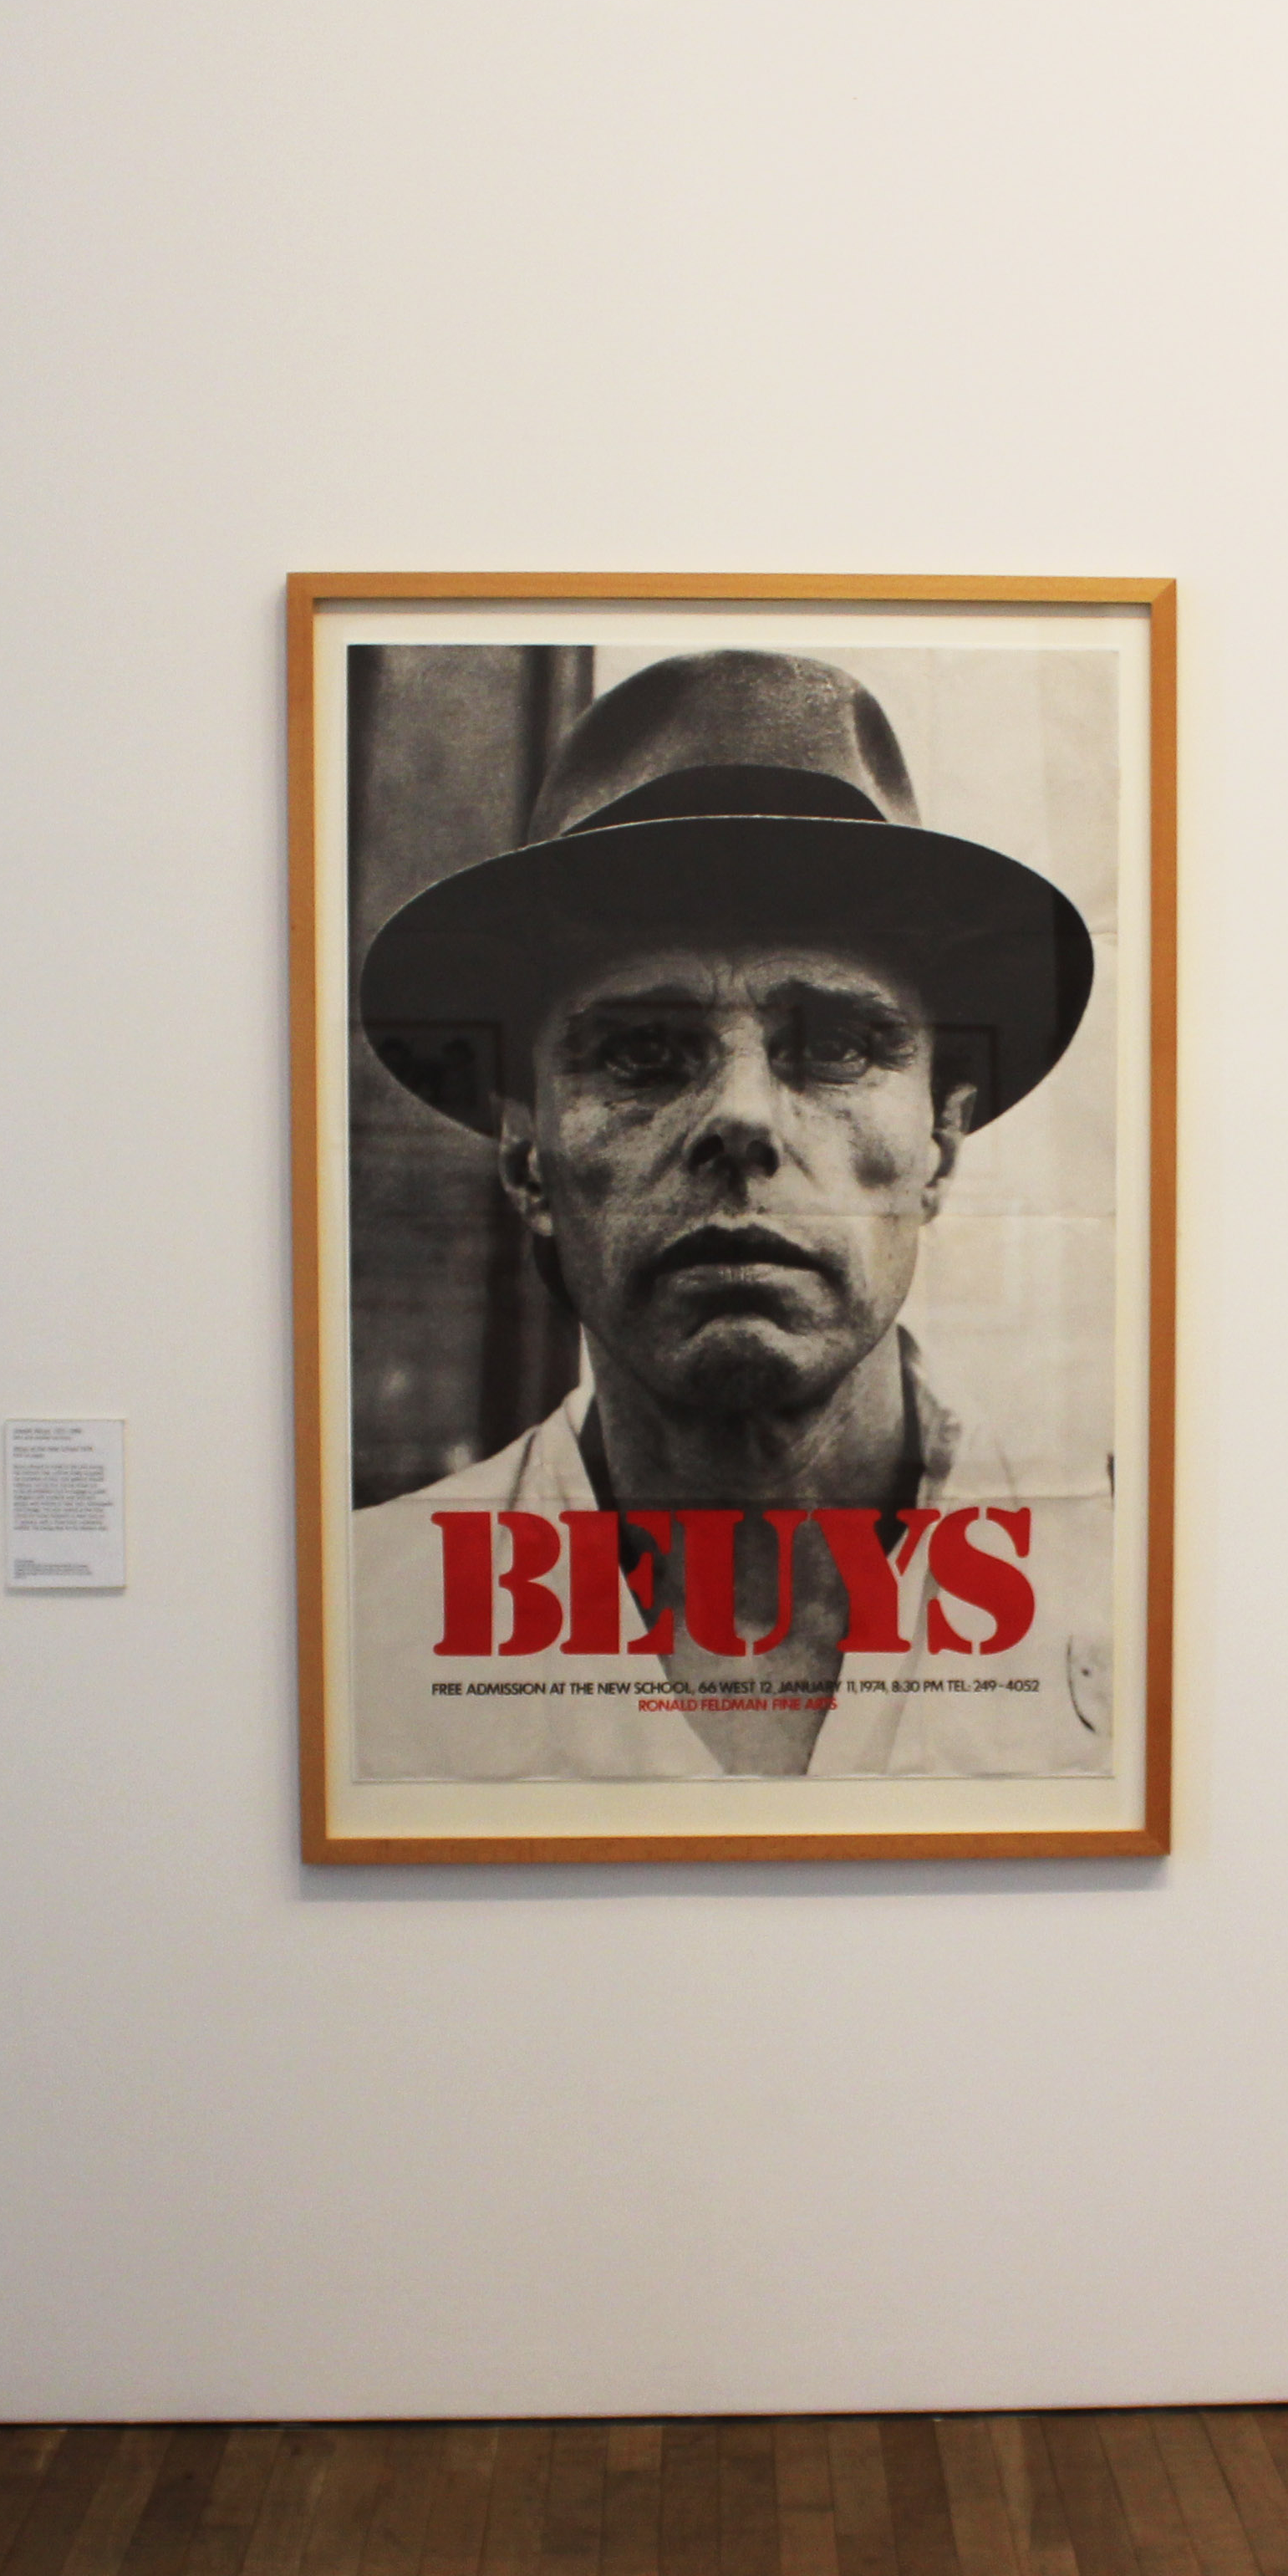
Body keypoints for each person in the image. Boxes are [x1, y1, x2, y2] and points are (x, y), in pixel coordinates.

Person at [349, 650, 1107, 1782]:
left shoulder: (1128, 1612)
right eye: (640, 1053)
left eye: (835, 1045)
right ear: (527, 1153)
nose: (741, 1119)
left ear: (939, 1143)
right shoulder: (363, 1645)